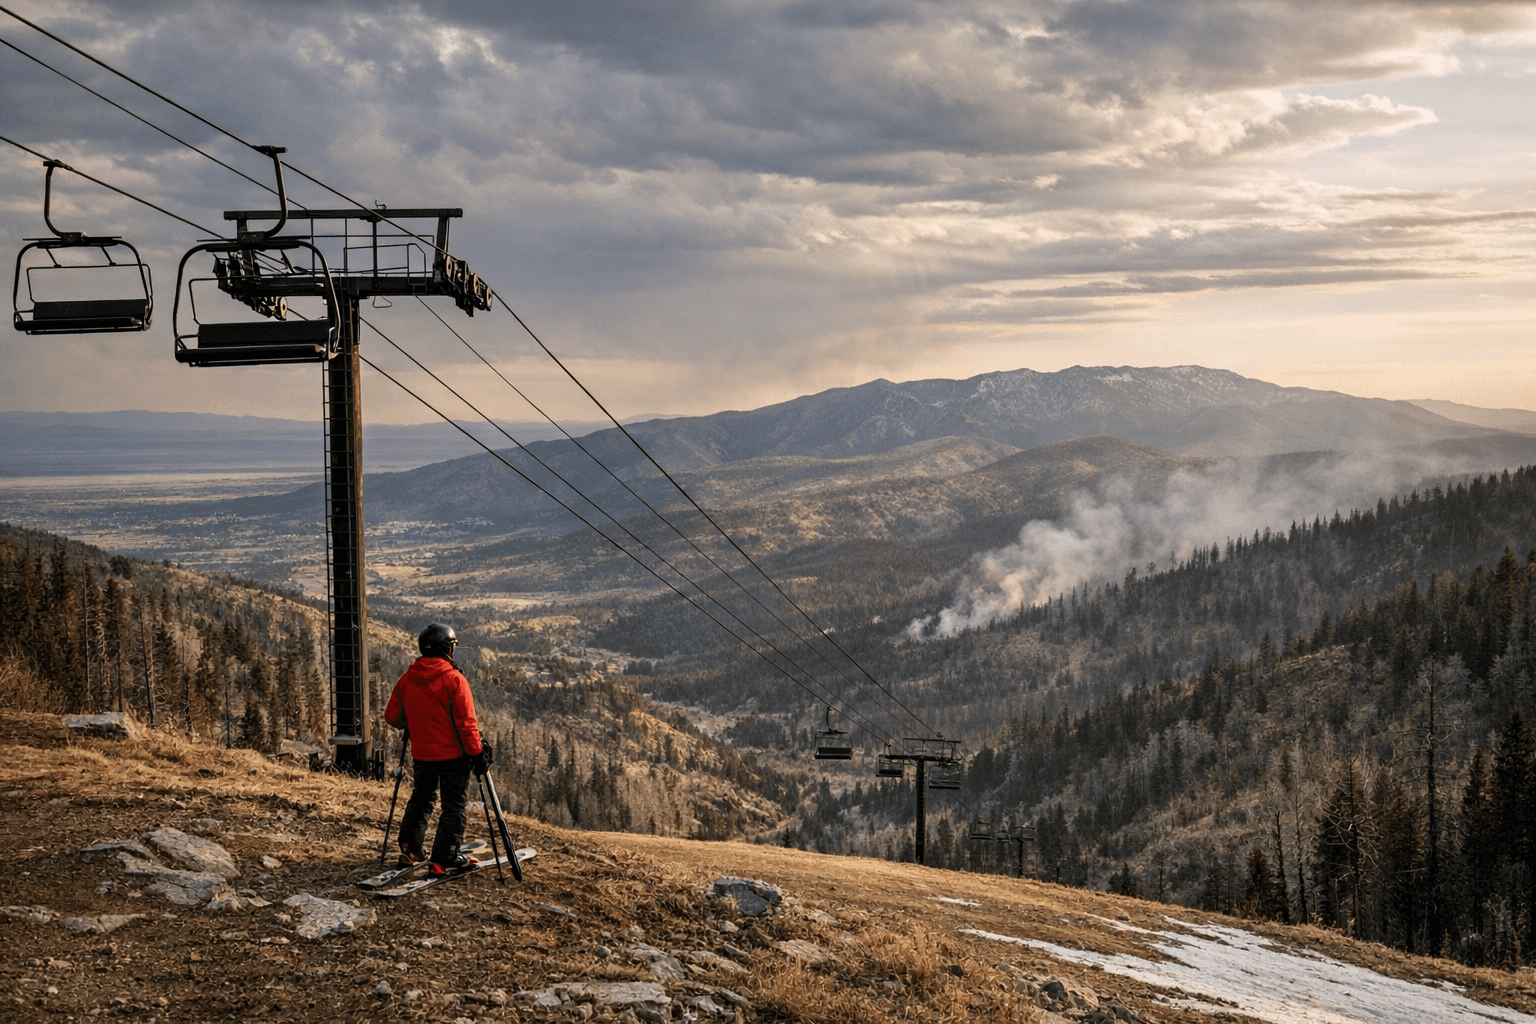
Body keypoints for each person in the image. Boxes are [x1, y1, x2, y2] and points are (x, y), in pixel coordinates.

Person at [384, 623, 491, 875]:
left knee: (421, 799)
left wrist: (413, 720)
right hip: (454, 757)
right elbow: (466, 725)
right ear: (446, 648)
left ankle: (410, 850)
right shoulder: (455, 679)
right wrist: (477, 754)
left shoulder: (407, 678)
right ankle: (446, 856)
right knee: (453, 805)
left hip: (422, 754)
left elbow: (392, 717)